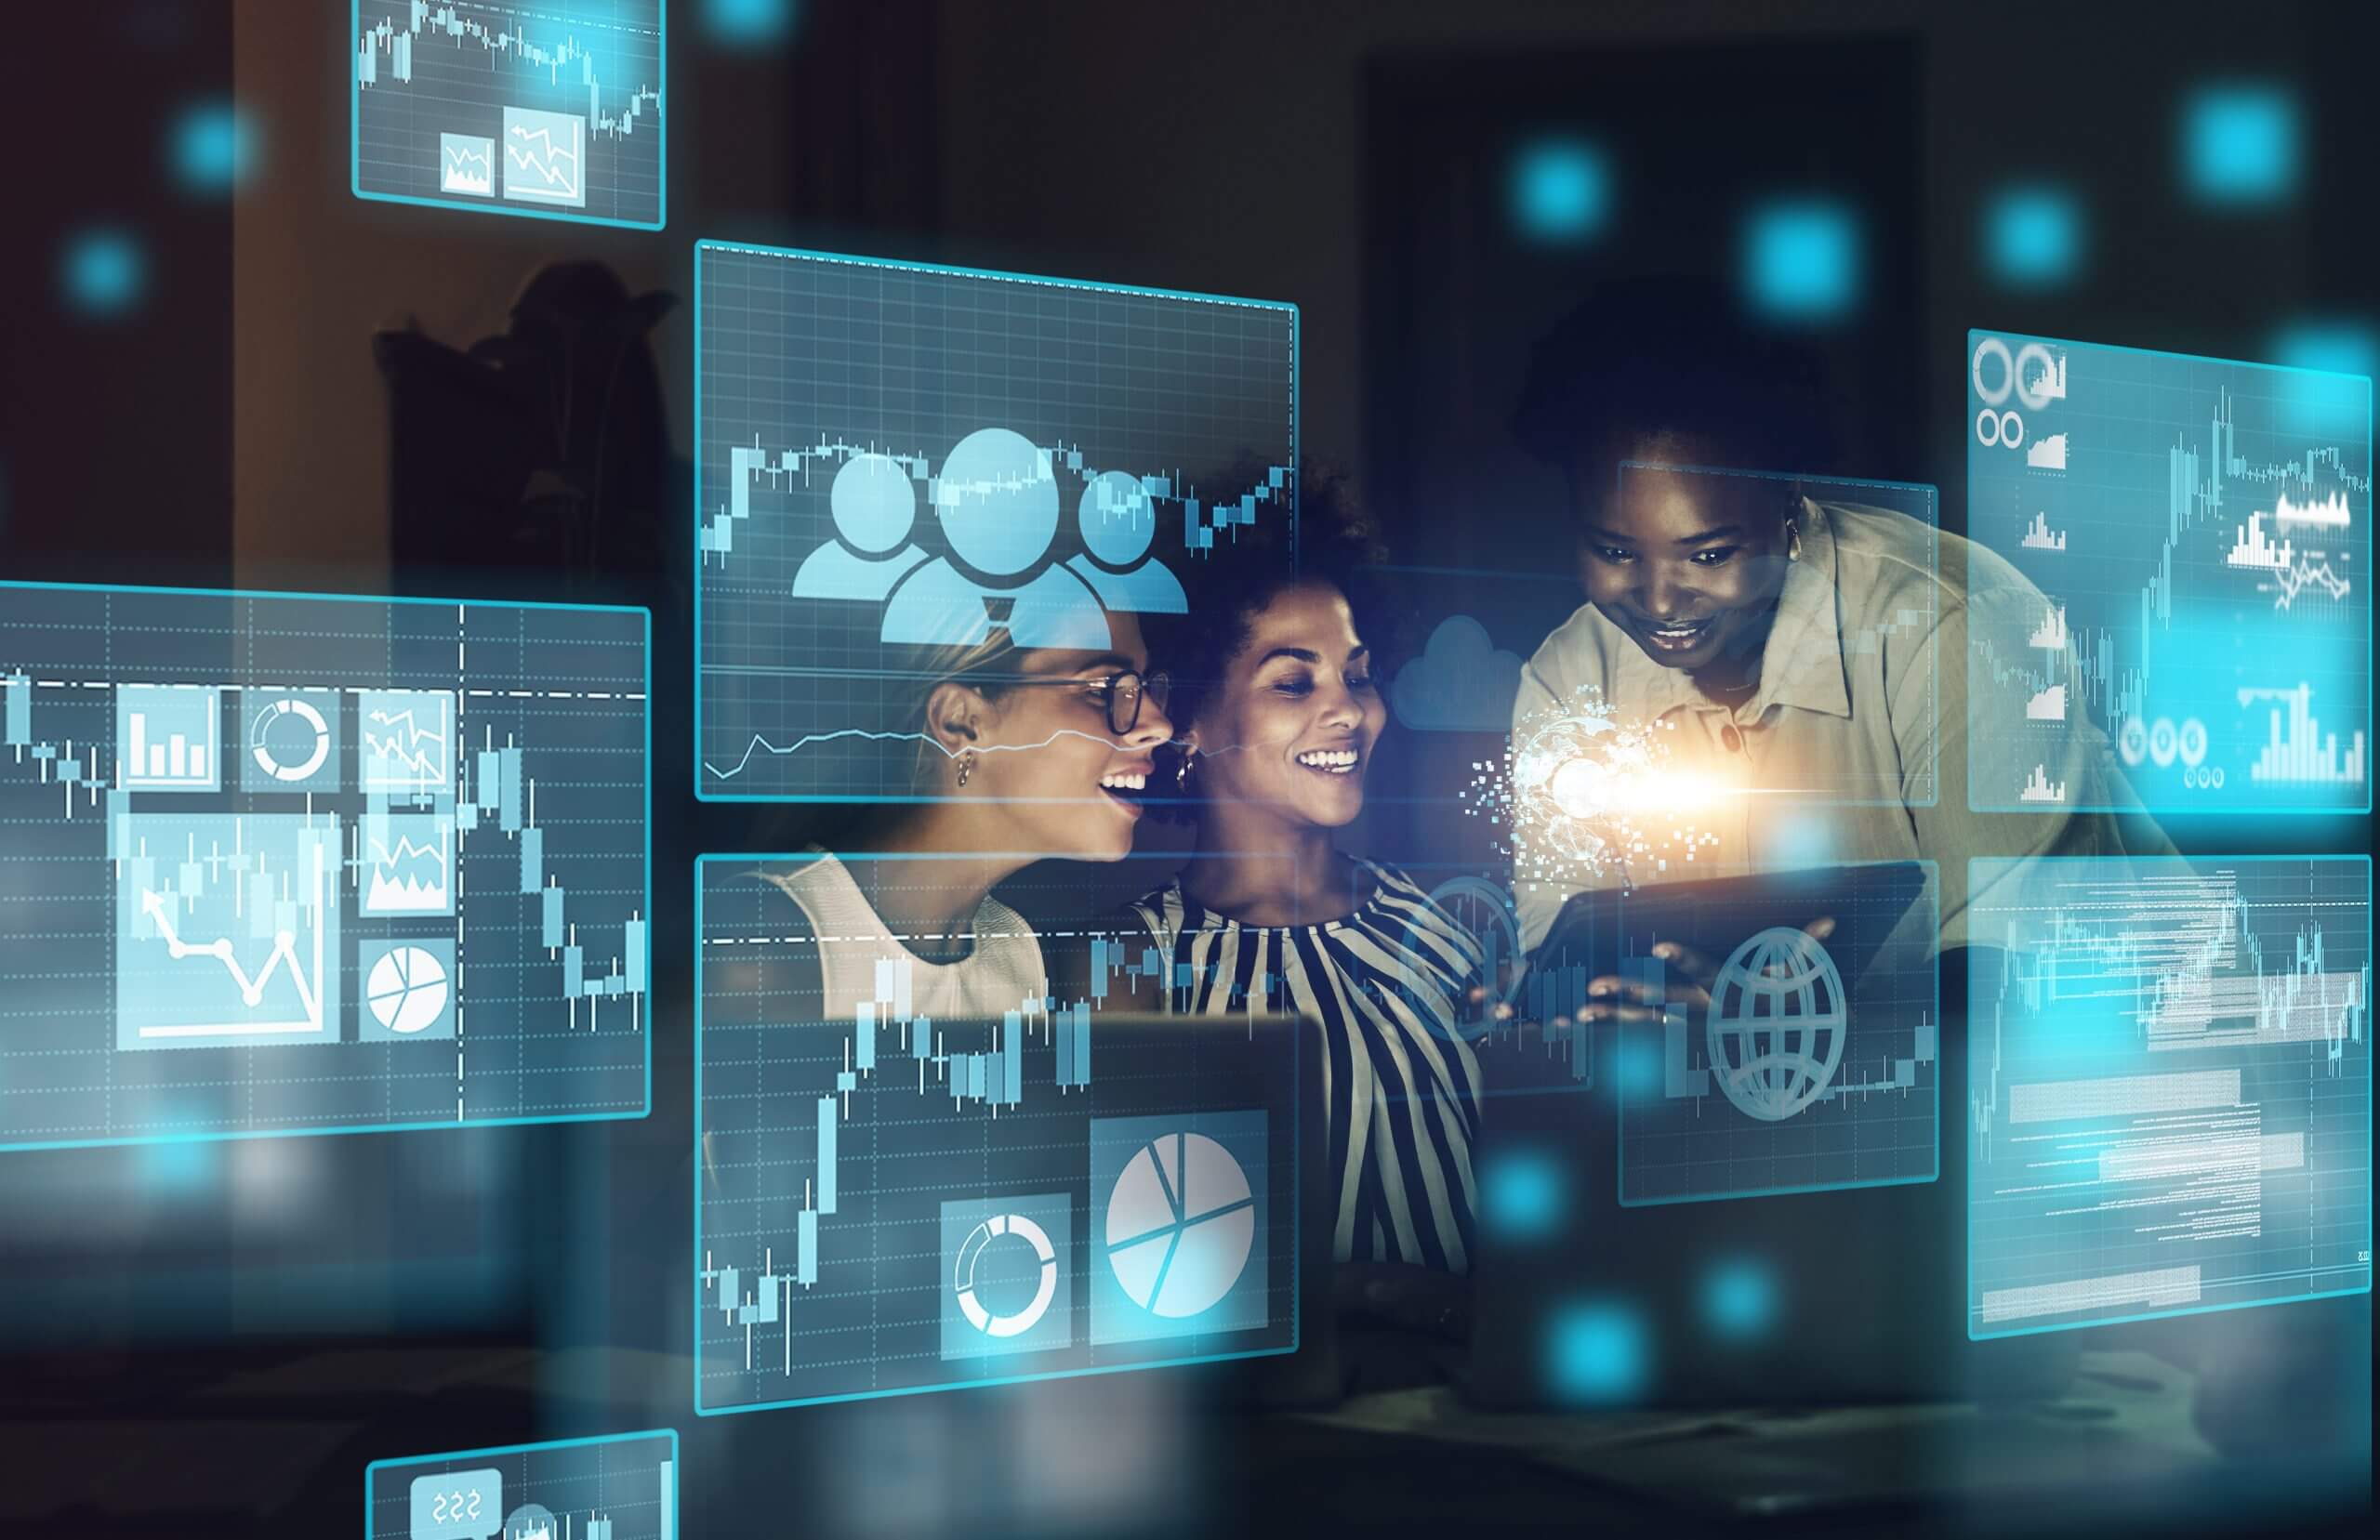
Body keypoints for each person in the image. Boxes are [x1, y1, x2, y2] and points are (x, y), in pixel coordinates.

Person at [1503, 276, 2165, 1016]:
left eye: (1711, 555)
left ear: (1789, 501)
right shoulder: (1570, 678)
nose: (1659, 601)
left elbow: (2016, 982)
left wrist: (1787, 1029)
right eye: (1616, 553)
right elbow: (1562, 971)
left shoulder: (1956, 627)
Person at [1125, 474, 1486, 1299]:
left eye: (1358, 676)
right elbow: (1146, 1283)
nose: (1351, 711)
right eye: (1294, 683)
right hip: (1293, 1426)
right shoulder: (1126, 972)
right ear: (1190, 718)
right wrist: (1394, 1300)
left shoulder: (1451, 931)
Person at [756, 608, 1173, 1019]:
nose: (1161, 724)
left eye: (1144, 689)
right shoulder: (765, 954)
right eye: (1102, 688)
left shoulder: (1017, 953)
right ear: (960, 721)